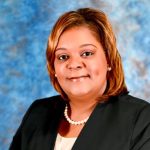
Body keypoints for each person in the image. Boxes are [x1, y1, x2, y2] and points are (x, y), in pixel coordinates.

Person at [9, 7, 150, 150]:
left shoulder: (141, 118)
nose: (74, 64)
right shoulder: (38, 113)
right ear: (54, 68)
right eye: (63, 57)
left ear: (109, 59)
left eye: (87, 53)